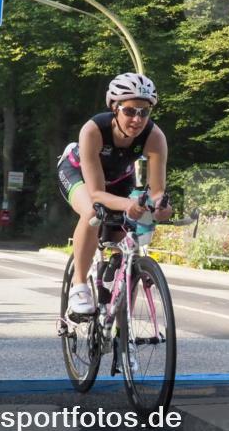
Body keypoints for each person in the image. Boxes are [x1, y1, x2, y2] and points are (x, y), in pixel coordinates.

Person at [57, 73, 173, 316]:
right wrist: (128, 204)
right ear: (114, 108)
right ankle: (79, 286)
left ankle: (120, 317)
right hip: (77, 173)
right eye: (130, 111)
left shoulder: (155, 137)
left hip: (120, 179)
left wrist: (161, 205)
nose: (137, 119)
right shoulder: (93, 130)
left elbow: (157, 190)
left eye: (144, 112)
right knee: (92, 212)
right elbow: (97, 193)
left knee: (126, 236)